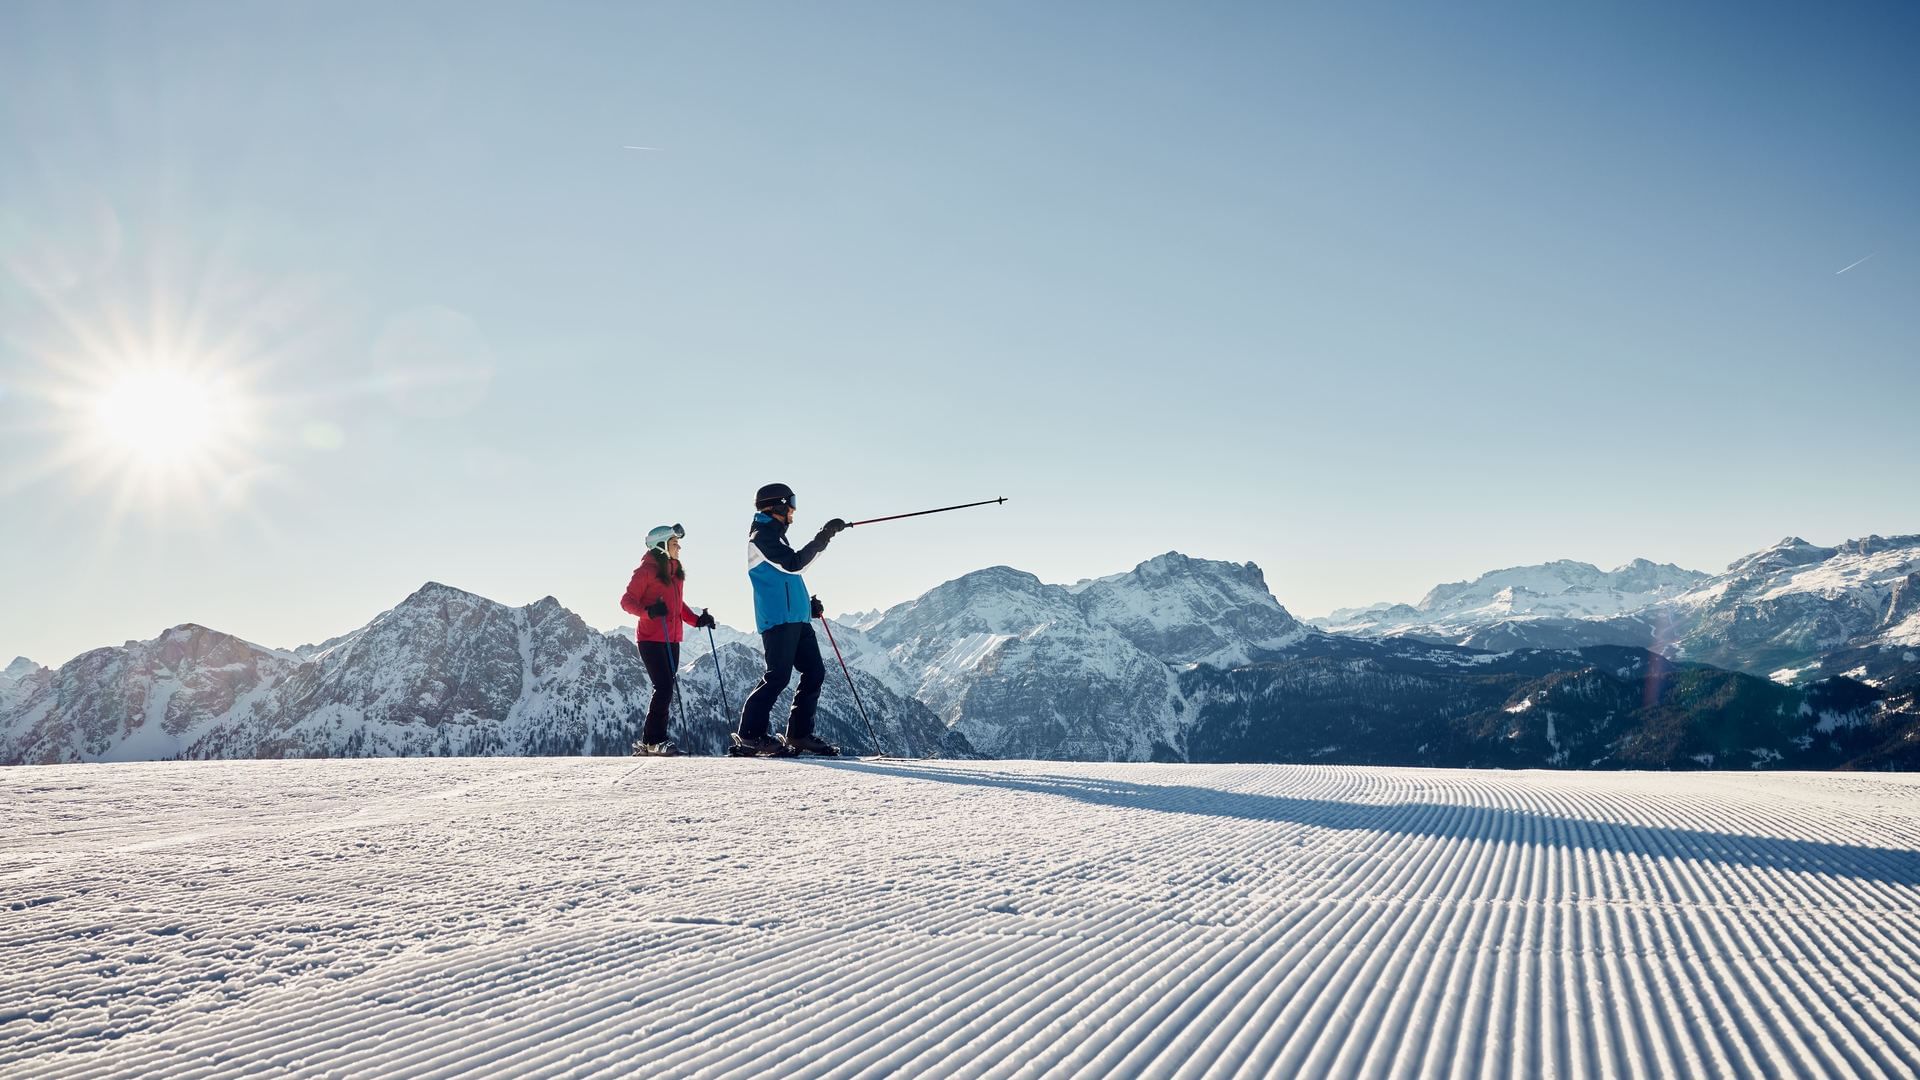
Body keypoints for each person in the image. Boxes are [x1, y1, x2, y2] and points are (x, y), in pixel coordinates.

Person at [736, 483, 848, 756]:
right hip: (778, 619)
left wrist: (806, 606)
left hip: (796, 617)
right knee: (777, 676)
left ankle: (798, 735)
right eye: (792, 504)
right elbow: (795, 564)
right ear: (778, 505)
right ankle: (749, 735)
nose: (794, 511)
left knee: (814, 672)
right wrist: (824, 537)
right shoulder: (761, 536)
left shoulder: (776, 537)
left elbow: (785, 578)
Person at [619, 523, 715, 756]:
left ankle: (654, 741)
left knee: (667, 688)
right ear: (661, 546)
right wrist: (649, 611)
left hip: (672, 638)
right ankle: (653, 741)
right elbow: (627, 601)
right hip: (650, 638)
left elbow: (677, 604)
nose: (678, 547)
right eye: (674, 543)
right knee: (663, 687)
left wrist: (697, 621)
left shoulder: (674, 571)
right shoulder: (646, 571)